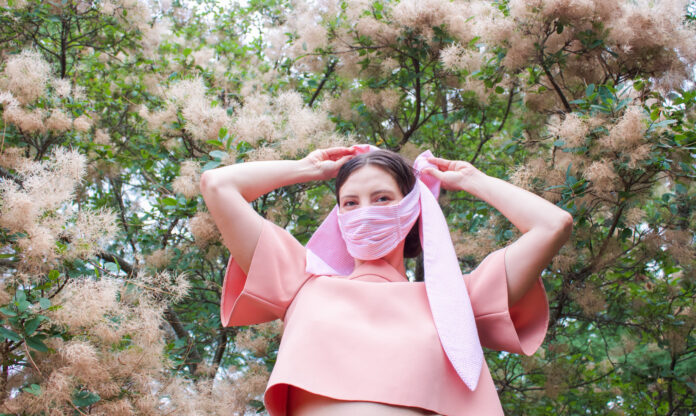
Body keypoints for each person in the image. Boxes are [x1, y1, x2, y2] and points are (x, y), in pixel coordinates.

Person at [200, 145, 573, 416]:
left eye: (381, 198)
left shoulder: (456, 302)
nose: (365, 214)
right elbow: (217, 185)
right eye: (350, 202)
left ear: (412, 207)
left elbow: (552, 225)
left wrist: (473, 179)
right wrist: (306, 169)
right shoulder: (302, 281)